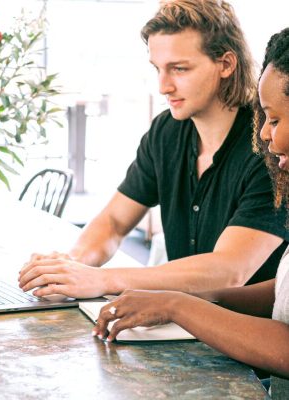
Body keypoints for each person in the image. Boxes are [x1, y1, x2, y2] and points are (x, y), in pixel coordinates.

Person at [19, 0, 288, 299]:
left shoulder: (272, 146)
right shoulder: (166, 132)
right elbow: (114, 221)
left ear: (225, 64)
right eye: (158, 69)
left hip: (244, 334)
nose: (163, 86)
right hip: (180, 325)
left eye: (179, 69)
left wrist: (102, 279)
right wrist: (69, 266)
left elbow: (229, 270)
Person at [93, 27, 289, 399]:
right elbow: (283, 296)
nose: (263, 134)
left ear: (225, 64)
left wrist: (176, 304)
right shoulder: (166, 134)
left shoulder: (260, 163)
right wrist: (196, 297)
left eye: (275, 120)